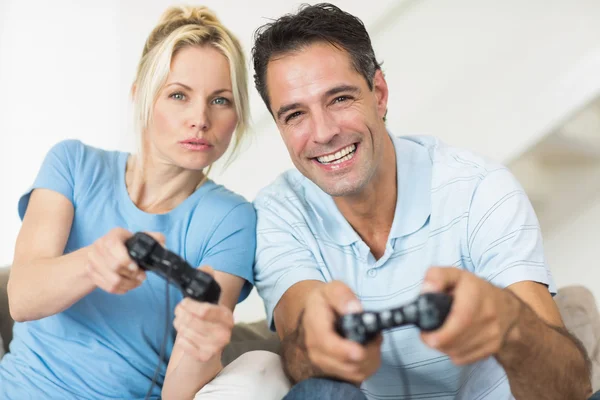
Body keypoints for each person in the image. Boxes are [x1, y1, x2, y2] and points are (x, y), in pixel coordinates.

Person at [251, 3, 594, 399]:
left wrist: (510, 323)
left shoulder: (480, 188)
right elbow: (301, 354)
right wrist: (318, 344)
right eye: (295, 114)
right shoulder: (278, 211)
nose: (323, 133)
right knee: (319, 392)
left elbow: (572, 389)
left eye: (340, 99)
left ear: (378, 94)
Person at [0, 5, 288, 400]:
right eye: (178, 95)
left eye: (220, 100)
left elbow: (179, 392)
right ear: (140, 96)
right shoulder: (73, 163)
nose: (200, 119)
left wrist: (205, 347)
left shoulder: (232, 219)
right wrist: (92, 263)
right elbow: (21, 298)